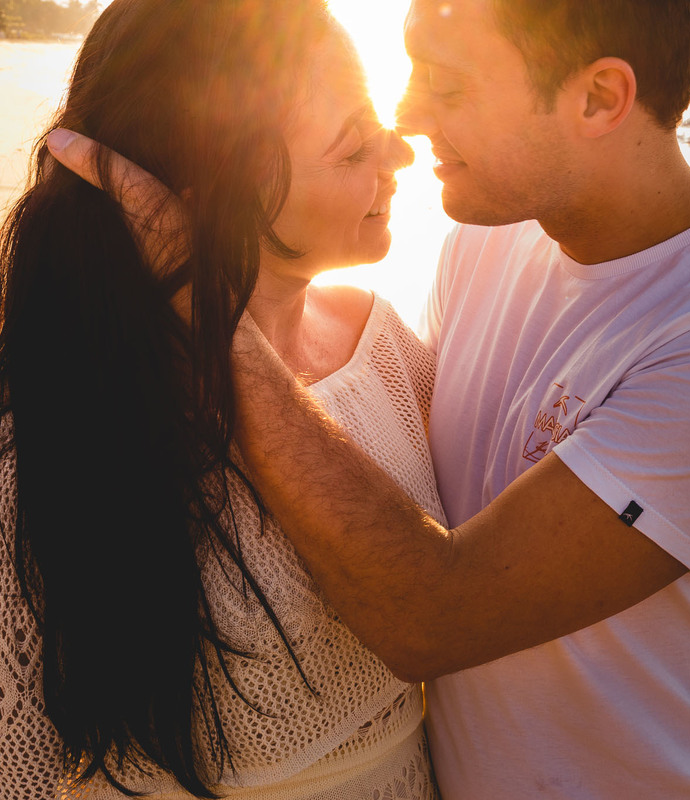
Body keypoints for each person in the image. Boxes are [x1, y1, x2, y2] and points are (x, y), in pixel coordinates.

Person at [50, 0, 690, 796]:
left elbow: (432, 615)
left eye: (449, 85)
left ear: (599, 98)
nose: (405, 116)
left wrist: (200, 299)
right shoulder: (489, 240)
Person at [0, 1, 440, 797]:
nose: (401, 154)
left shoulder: (388, 347)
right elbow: (20, 762)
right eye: (353, 147)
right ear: (215, 192)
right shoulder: (60, 416)